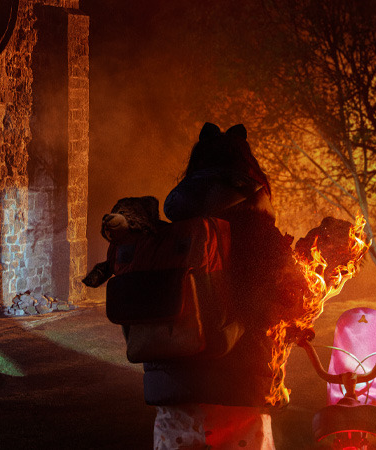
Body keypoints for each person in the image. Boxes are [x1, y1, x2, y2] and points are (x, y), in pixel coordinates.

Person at [147, 123, 303, 450]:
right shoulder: (258, 230)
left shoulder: (174, 230)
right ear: (247, 169)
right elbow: (286, 297)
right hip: (238, 395)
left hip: (174, 395)